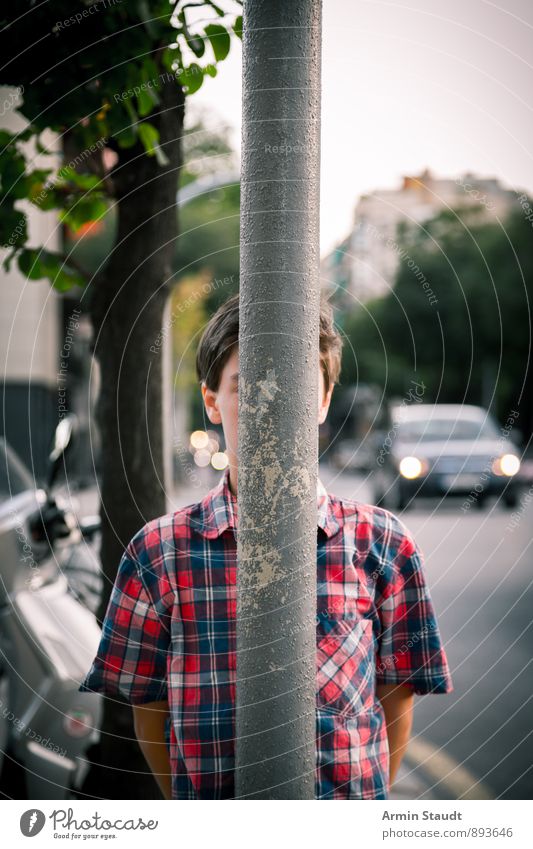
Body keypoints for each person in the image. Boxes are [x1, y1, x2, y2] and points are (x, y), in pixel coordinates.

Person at [80, 293, 453, 800]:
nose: (273, 406)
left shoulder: (382, 542)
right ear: (212, 400)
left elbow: (395, 695)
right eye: (247, 387)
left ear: (323, 400)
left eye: (299, 386)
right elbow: (148, 705)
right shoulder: (158, 552)